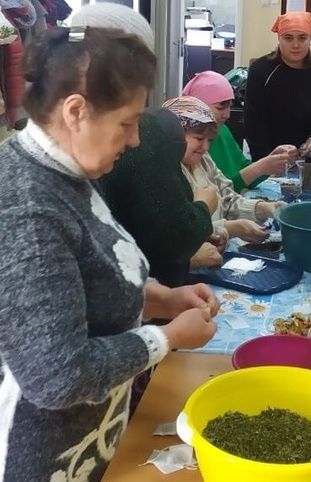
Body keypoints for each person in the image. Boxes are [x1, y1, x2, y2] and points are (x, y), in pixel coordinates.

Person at [0, 26, 218, 481]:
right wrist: (167, 338)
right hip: (44, 459)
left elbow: (87, 283)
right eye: (127, 122)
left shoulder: (70, 173)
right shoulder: (27, 210)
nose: (137, 139)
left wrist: (160, 299)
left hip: (91, 440)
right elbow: (59, 377)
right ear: (76, 111)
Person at [99, 108, 220, 286]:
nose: (135, 140)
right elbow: (170, 236)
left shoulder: (204, 163)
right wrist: (203, 210)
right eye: (127, 123)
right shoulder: (148, 150)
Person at [162, 96, 283, 242]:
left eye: (210, 140)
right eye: (199, 139)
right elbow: (180, 234)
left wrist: (266, 208)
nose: (205, 147)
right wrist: (231, 228)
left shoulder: (204, 160)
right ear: (175, 135)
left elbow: (227, 200)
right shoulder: (165, 172)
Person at [244, 11, 311, 161]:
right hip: (271, 157)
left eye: (302, 38)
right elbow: (253, 123)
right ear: (279, 38)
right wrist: (265, 162)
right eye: (288, 38)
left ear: (310, 39)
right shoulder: (261, 71)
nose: (296, 45)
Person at [182, 70, 297, 192]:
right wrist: (261, 167)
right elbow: (220, 191)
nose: (227, 115)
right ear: (198, 104)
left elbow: (243, 171)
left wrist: (271, 161)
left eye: (229, 107)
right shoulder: (191, 144)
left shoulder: (223, 130)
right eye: (220, 108)